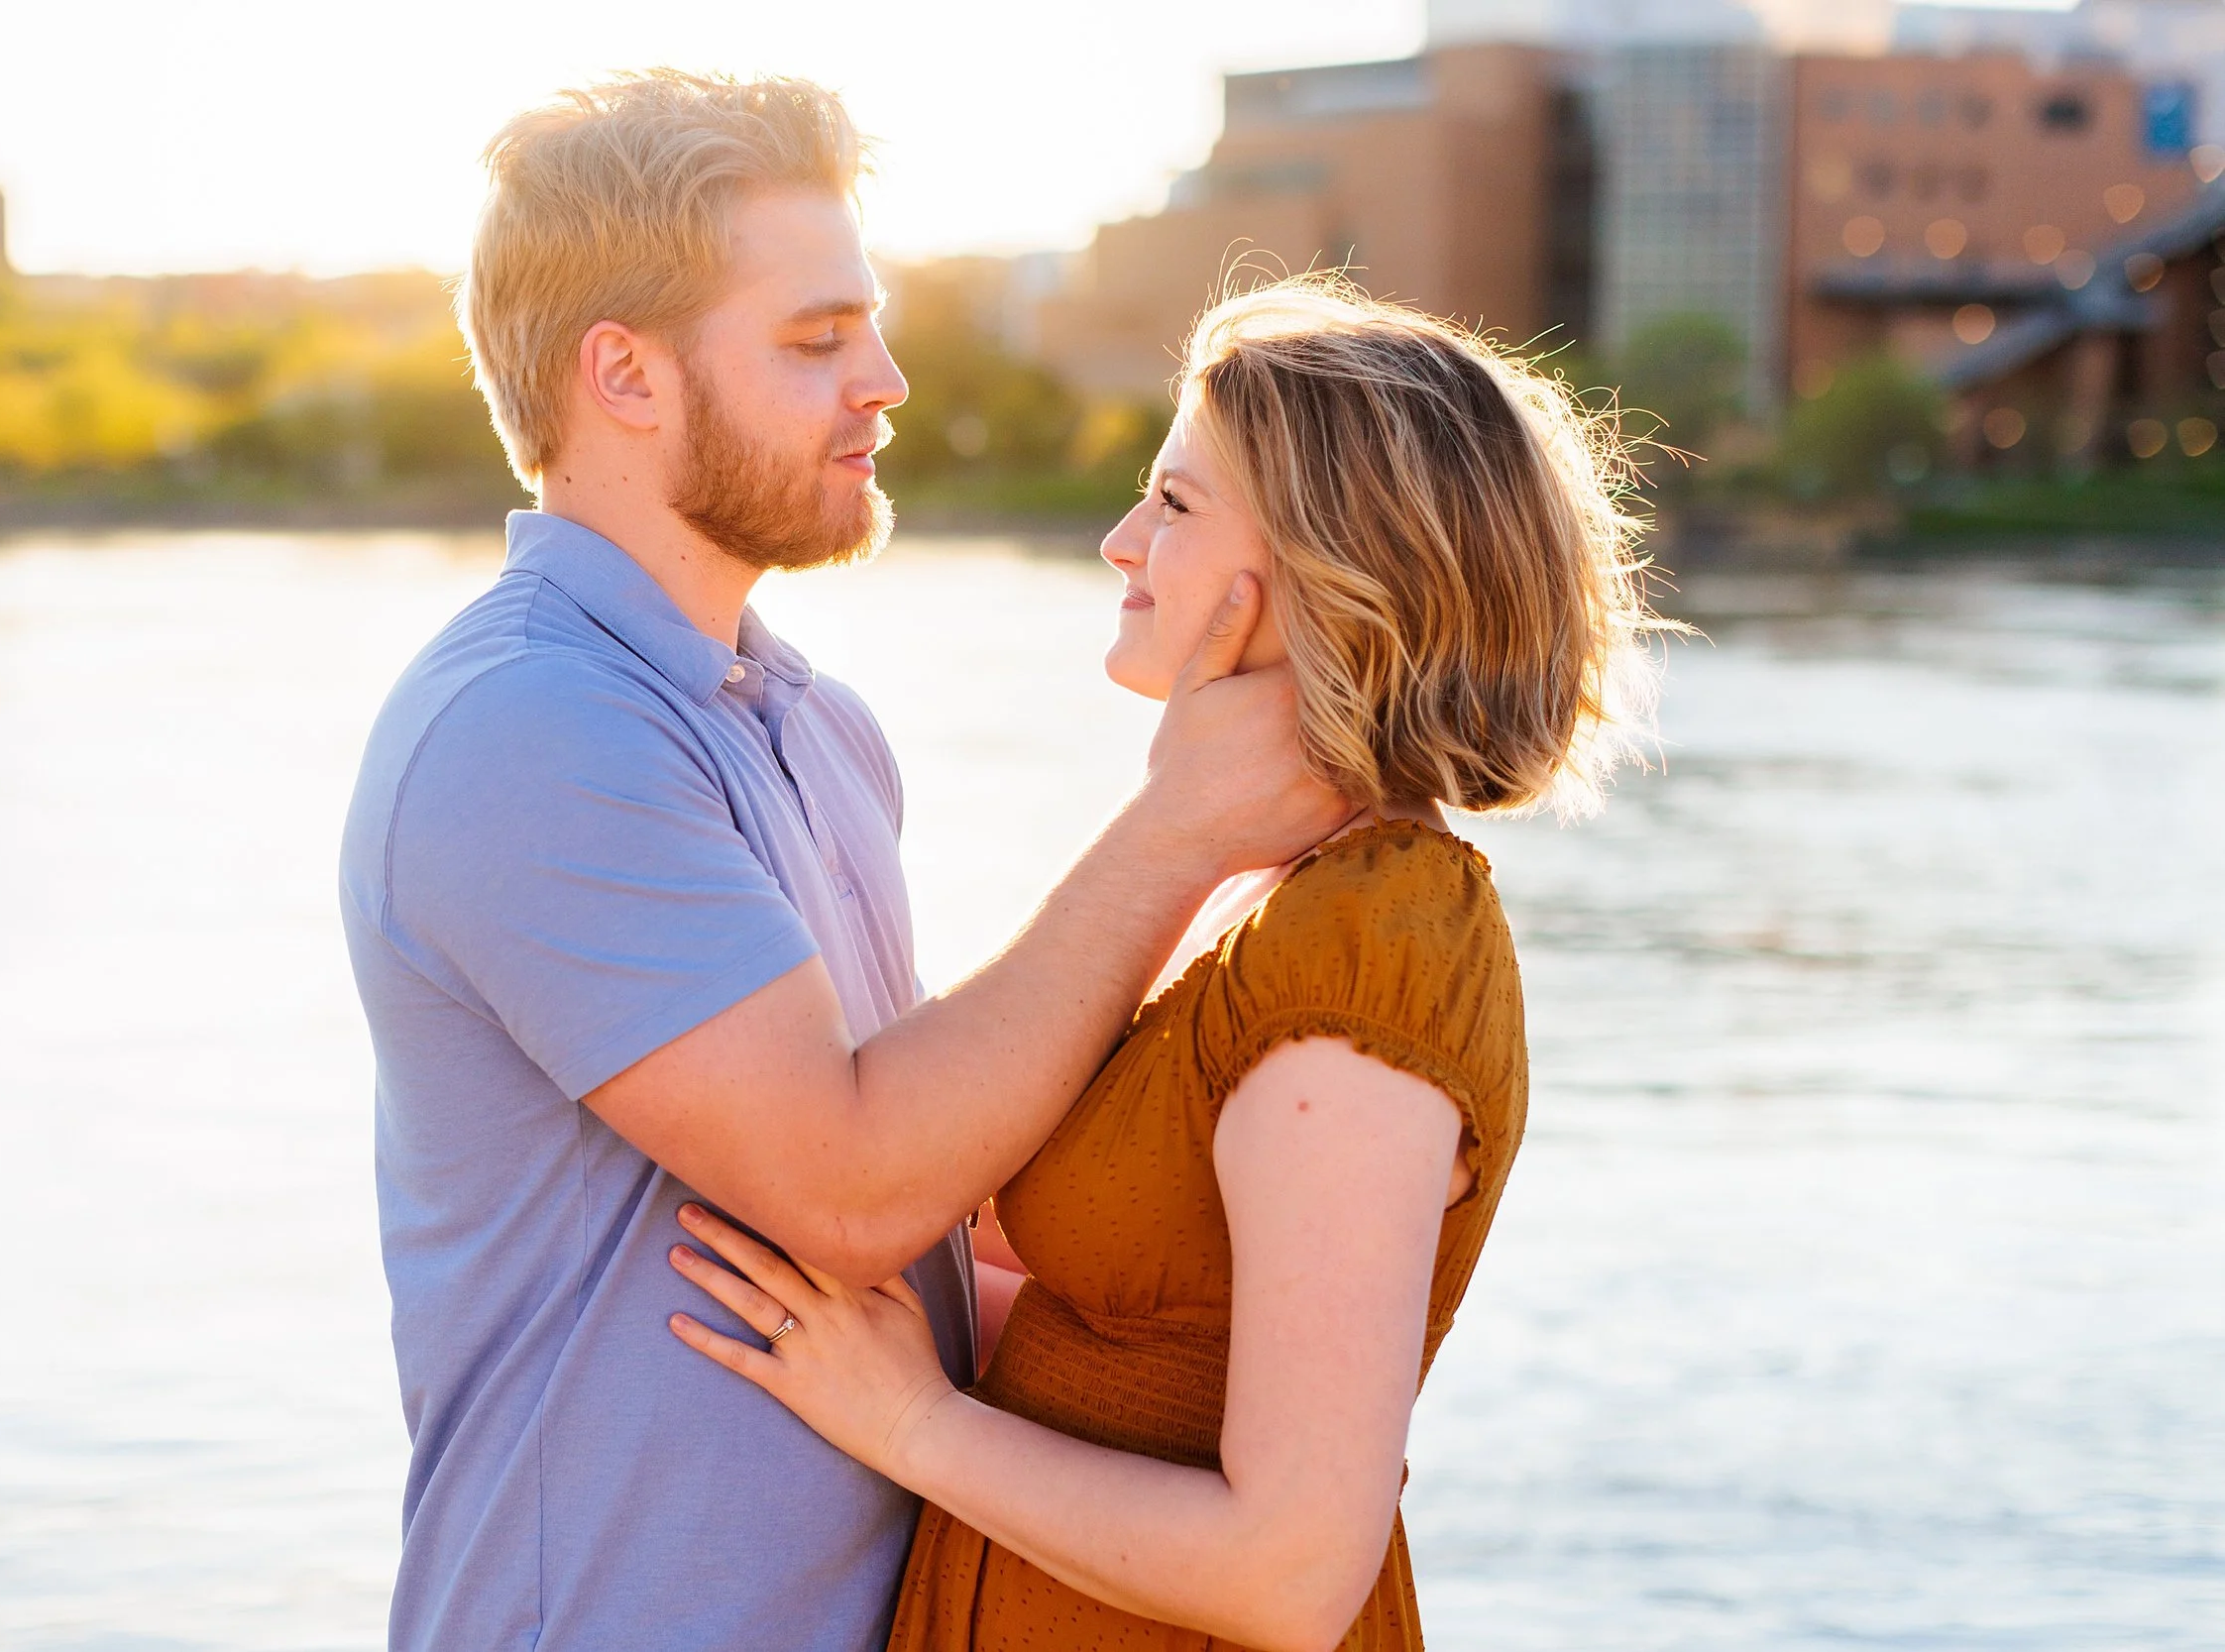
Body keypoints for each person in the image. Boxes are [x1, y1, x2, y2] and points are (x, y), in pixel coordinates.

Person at [336, 73, 1349, 1652]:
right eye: (816, 340)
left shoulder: (819, 729)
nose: (882, 378)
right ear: (626, 374)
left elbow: (957, 1199)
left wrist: (1294, 1426)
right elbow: (860, 1185)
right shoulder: (526, 729)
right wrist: (1179, 826)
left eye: (868, 326)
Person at [664, 275, 1671, 1652]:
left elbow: (1291, 1571)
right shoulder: (1263, 896)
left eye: (1177, 504)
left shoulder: (1371, 943)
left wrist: (910, 1421)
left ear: (1338, 564)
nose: (1122, 540)